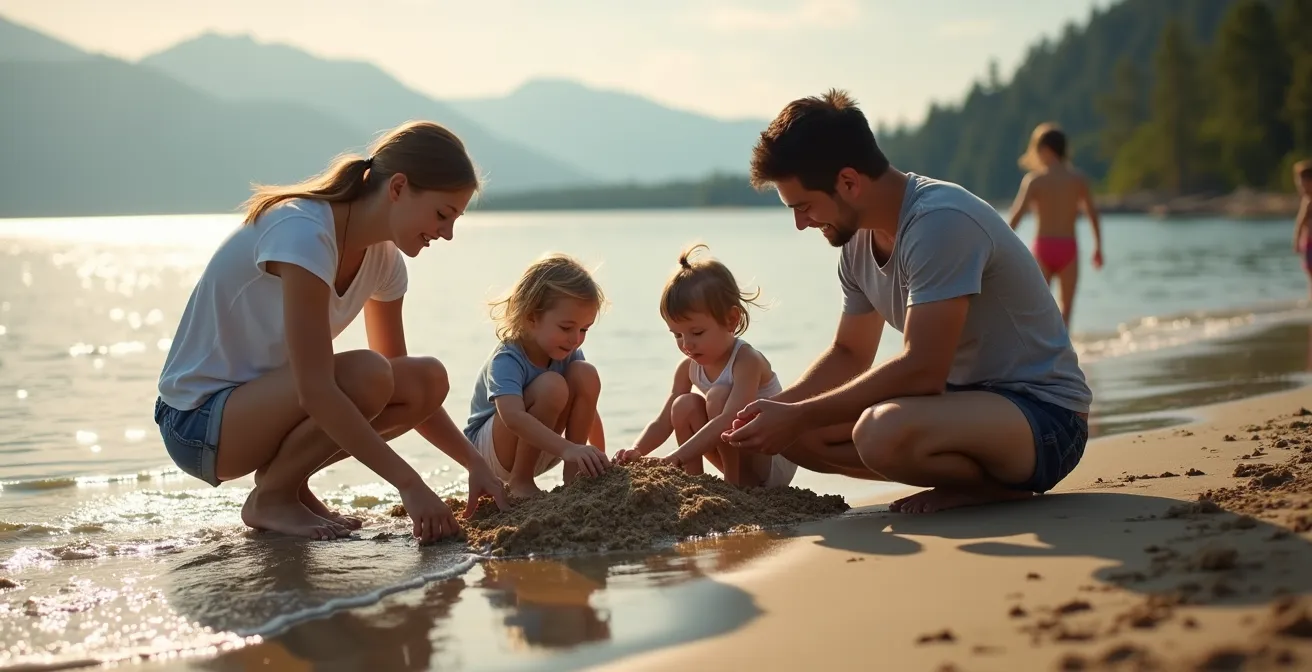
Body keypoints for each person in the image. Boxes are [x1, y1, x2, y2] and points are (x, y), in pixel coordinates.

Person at [721, 89, 1093, 514]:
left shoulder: (939, 221)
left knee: (878, 432)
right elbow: (849, 352)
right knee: (796, 436)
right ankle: (972, 481)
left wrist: (801, 413)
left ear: (848, 182)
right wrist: (773, 413)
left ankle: (989, 487)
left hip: (1046, 418)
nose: (801, 224)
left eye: (804, 206)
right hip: (961, 407)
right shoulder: (857, 244)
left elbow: (923, 370)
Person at [153, 121, 508, 543]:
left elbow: (404, 384)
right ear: (397, 188)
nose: (447, 233)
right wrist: (410, 484)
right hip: (197, 423)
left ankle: (286, 484)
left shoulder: (385, 261)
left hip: (261, 410)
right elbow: (317, 391)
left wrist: (474, 464)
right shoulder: (302, 233)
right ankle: (273, 496)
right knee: (368, 374)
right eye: (442, 214)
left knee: (425, 379)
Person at [616, 244, 798, 489]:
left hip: (771, 458)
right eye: (677, 335)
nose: (687, 344)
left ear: (731, 320)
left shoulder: (746, 361)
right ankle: (694, 482)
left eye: (697, 332)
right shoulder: (688, 368)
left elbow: (728, 419)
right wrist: (636, 449)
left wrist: (676, 456)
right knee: (683, 405)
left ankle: (735, 483)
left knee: (719, 395)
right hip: (738, 451)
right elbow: (663, 422)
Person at [463, 253, 610, 499]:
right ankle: (520, 481)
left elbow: (586, 407)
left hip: (547, 447)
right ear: (531, 317)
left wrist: (595, 455)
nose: (575, 339)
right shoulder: (508, 357)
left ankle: (575, 474)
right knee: (551, 386)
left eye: (584, 329)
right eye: (566, 328)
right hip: (491, 455)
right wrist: (569, 448)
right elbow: (512, 417)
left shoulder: (569, 353)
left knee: (586, 374)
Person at [1007, 122, 1105, 327]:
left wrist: (1000, 247)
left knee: (1039, 309)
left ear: (1045, 149)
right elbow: (1092, 215)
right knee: (1066, 311)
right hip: (1068, 248)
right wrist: (1098, 248)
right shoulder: (1078, 179)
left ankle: (1041, 354)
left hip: (1043, 248)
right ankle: (1063, 355)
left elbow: (1017, 216)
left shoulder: (1035, 180)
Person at [1293, 159, 1312, 298]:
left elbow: (1300, 223)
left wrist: (1296, 241)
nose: (1300, 186)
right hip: (1308, 243)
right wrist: (1297, 242)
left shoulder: (1308, 201)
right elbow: (1300, 224)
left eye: (1302, 182)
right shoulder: (1307, 200)